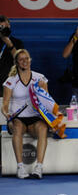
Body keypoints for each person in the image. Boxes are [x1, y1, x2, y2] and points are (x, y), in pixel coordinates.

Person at [1, 49, 49, 179]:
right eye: (21, 59)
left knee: (43, 128)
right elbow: (4, 105)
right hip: (17, 119)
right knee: (17, 127)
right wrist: (7, 115)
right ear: (16, 62)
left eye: (26, 58)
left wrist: (43, 89)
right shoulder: (11, 81)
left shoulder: (40, 78)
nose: (24, 61)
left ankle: (39, 167)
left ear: (30, 60)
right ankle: (20, 167)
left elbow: (46, 101)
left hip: (35, 118)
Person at [0, 15, 23, 98]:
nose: (3, 30)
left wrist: (9, 44)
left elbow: (21, 61)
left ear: (9, 26)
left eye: (6, 27)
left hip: (9, 83)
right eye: (1, 27)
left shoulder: (17, 42)